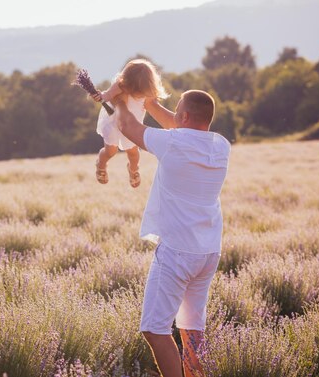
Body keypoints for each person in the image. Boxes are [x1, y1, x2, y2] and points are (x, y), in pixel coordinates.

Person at [91, 89, 230, 377]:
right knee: (192, 329)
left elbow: (128, 126)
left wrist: (118, 96)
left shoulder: (173, 142)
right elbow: (178, 126)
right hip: (208, 251)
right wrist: (150, 103)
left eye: (177, 109)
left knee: (154, 330)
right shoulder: (221, 145)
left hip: (178, 252)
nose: (174, 115)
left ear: (185, 116)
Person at [94, 59, 168, 187]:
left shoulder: (147, 92)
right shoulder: (120, 85)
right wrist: (100, 96)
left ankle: (133, 169)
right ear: (128, 82)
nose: (139, 94)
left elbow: (153, 104)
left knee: (133, 153)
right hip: (113, 122)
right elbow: (107, 95)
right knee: (110, 151)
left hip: (132, 125)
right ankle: (101, 164)